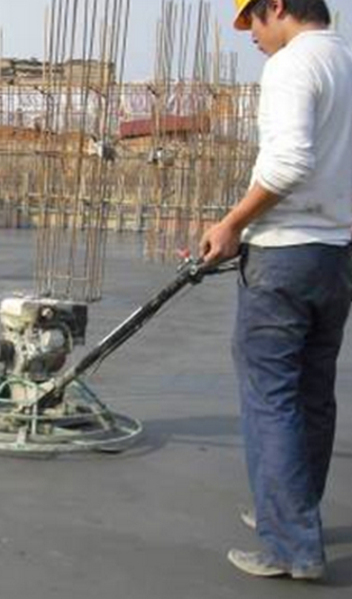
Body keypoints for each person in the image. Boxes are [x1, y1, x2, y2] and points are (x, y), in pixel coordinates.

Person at [199, 0, 352, 581]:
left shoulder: (292, 65)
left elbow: (288, 164)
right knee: (313, 394)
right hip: (335, 257)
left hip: (285, 255)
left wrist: (232, 223)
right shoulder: (346, 61)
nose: (252, 38)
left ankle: (289, 544)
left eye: (252, 23)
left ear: (278, 7)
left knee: (271, 398)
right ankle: (291, 514)